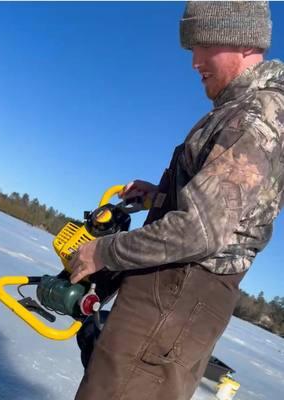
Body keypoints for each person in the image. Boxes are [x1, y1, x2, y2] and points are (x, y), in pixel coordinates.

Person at [71, 2, 284, 399]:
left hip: (177, 289)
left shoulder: (249, 118)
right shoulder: (252, 111)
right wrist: (163, 195)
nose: (194, 62)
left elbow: (198, 232)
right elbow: (227, 212)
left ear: (241, 40)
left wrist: (102, 253)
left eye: (202, 45)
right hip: (181, 297)